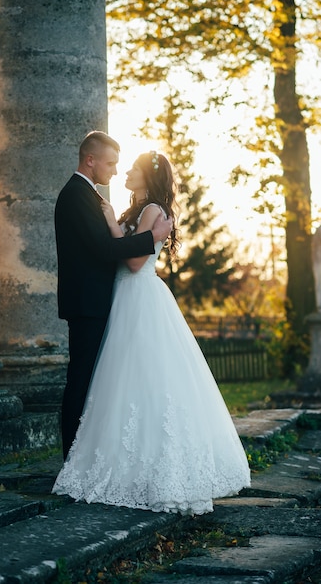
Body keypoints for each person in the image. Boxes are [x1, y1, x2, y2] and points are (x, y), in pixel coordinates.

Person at [53, 151, 251, 515]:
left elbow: (133, 260)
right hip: (121, 296)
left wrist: (113, 223)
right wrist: (117, 223)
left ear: (148, 175)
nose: (125, 171)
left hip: (139, 294)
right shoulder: (136, 210)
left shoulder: (153, 211)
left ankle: (157, 469)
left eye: (132, 168)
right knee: (120, 381)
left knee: (146, 377)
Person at [55, 132, 172, 460]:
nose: (116, 171)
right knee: (82, 381)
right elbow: (106, 248)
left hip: (107, 300)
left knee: (99, 380)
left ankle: (89, 456)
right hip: (88, 303)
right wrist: (153, 238)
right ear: (90, 160)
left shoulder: (89, 194)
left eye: (122, 165)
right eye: (110, 163)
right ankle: (73, 457)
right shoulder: (77, 195)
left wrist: (151, 236)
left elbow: (115, 251)